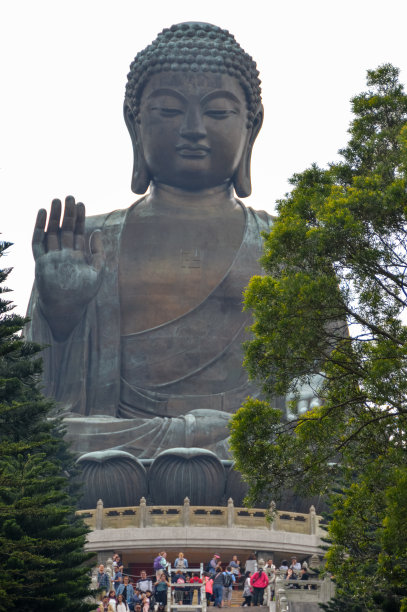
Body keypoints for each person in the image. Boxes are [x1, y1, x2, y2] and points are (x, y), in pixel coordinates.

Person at [26, 22, 276, 501]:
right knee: (48, 446)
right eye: (167, 110)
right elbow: (39, 410)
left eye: (219, 112)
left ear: (252, 124)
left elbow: (319, 403)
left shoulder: (289, 247)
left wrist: (294, 428)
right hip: (113, 449)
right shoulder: (86, 240)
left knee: (310, 453)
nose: (193, 129)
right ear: (133, 122)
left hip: (245, 448)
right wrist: (62, 316)